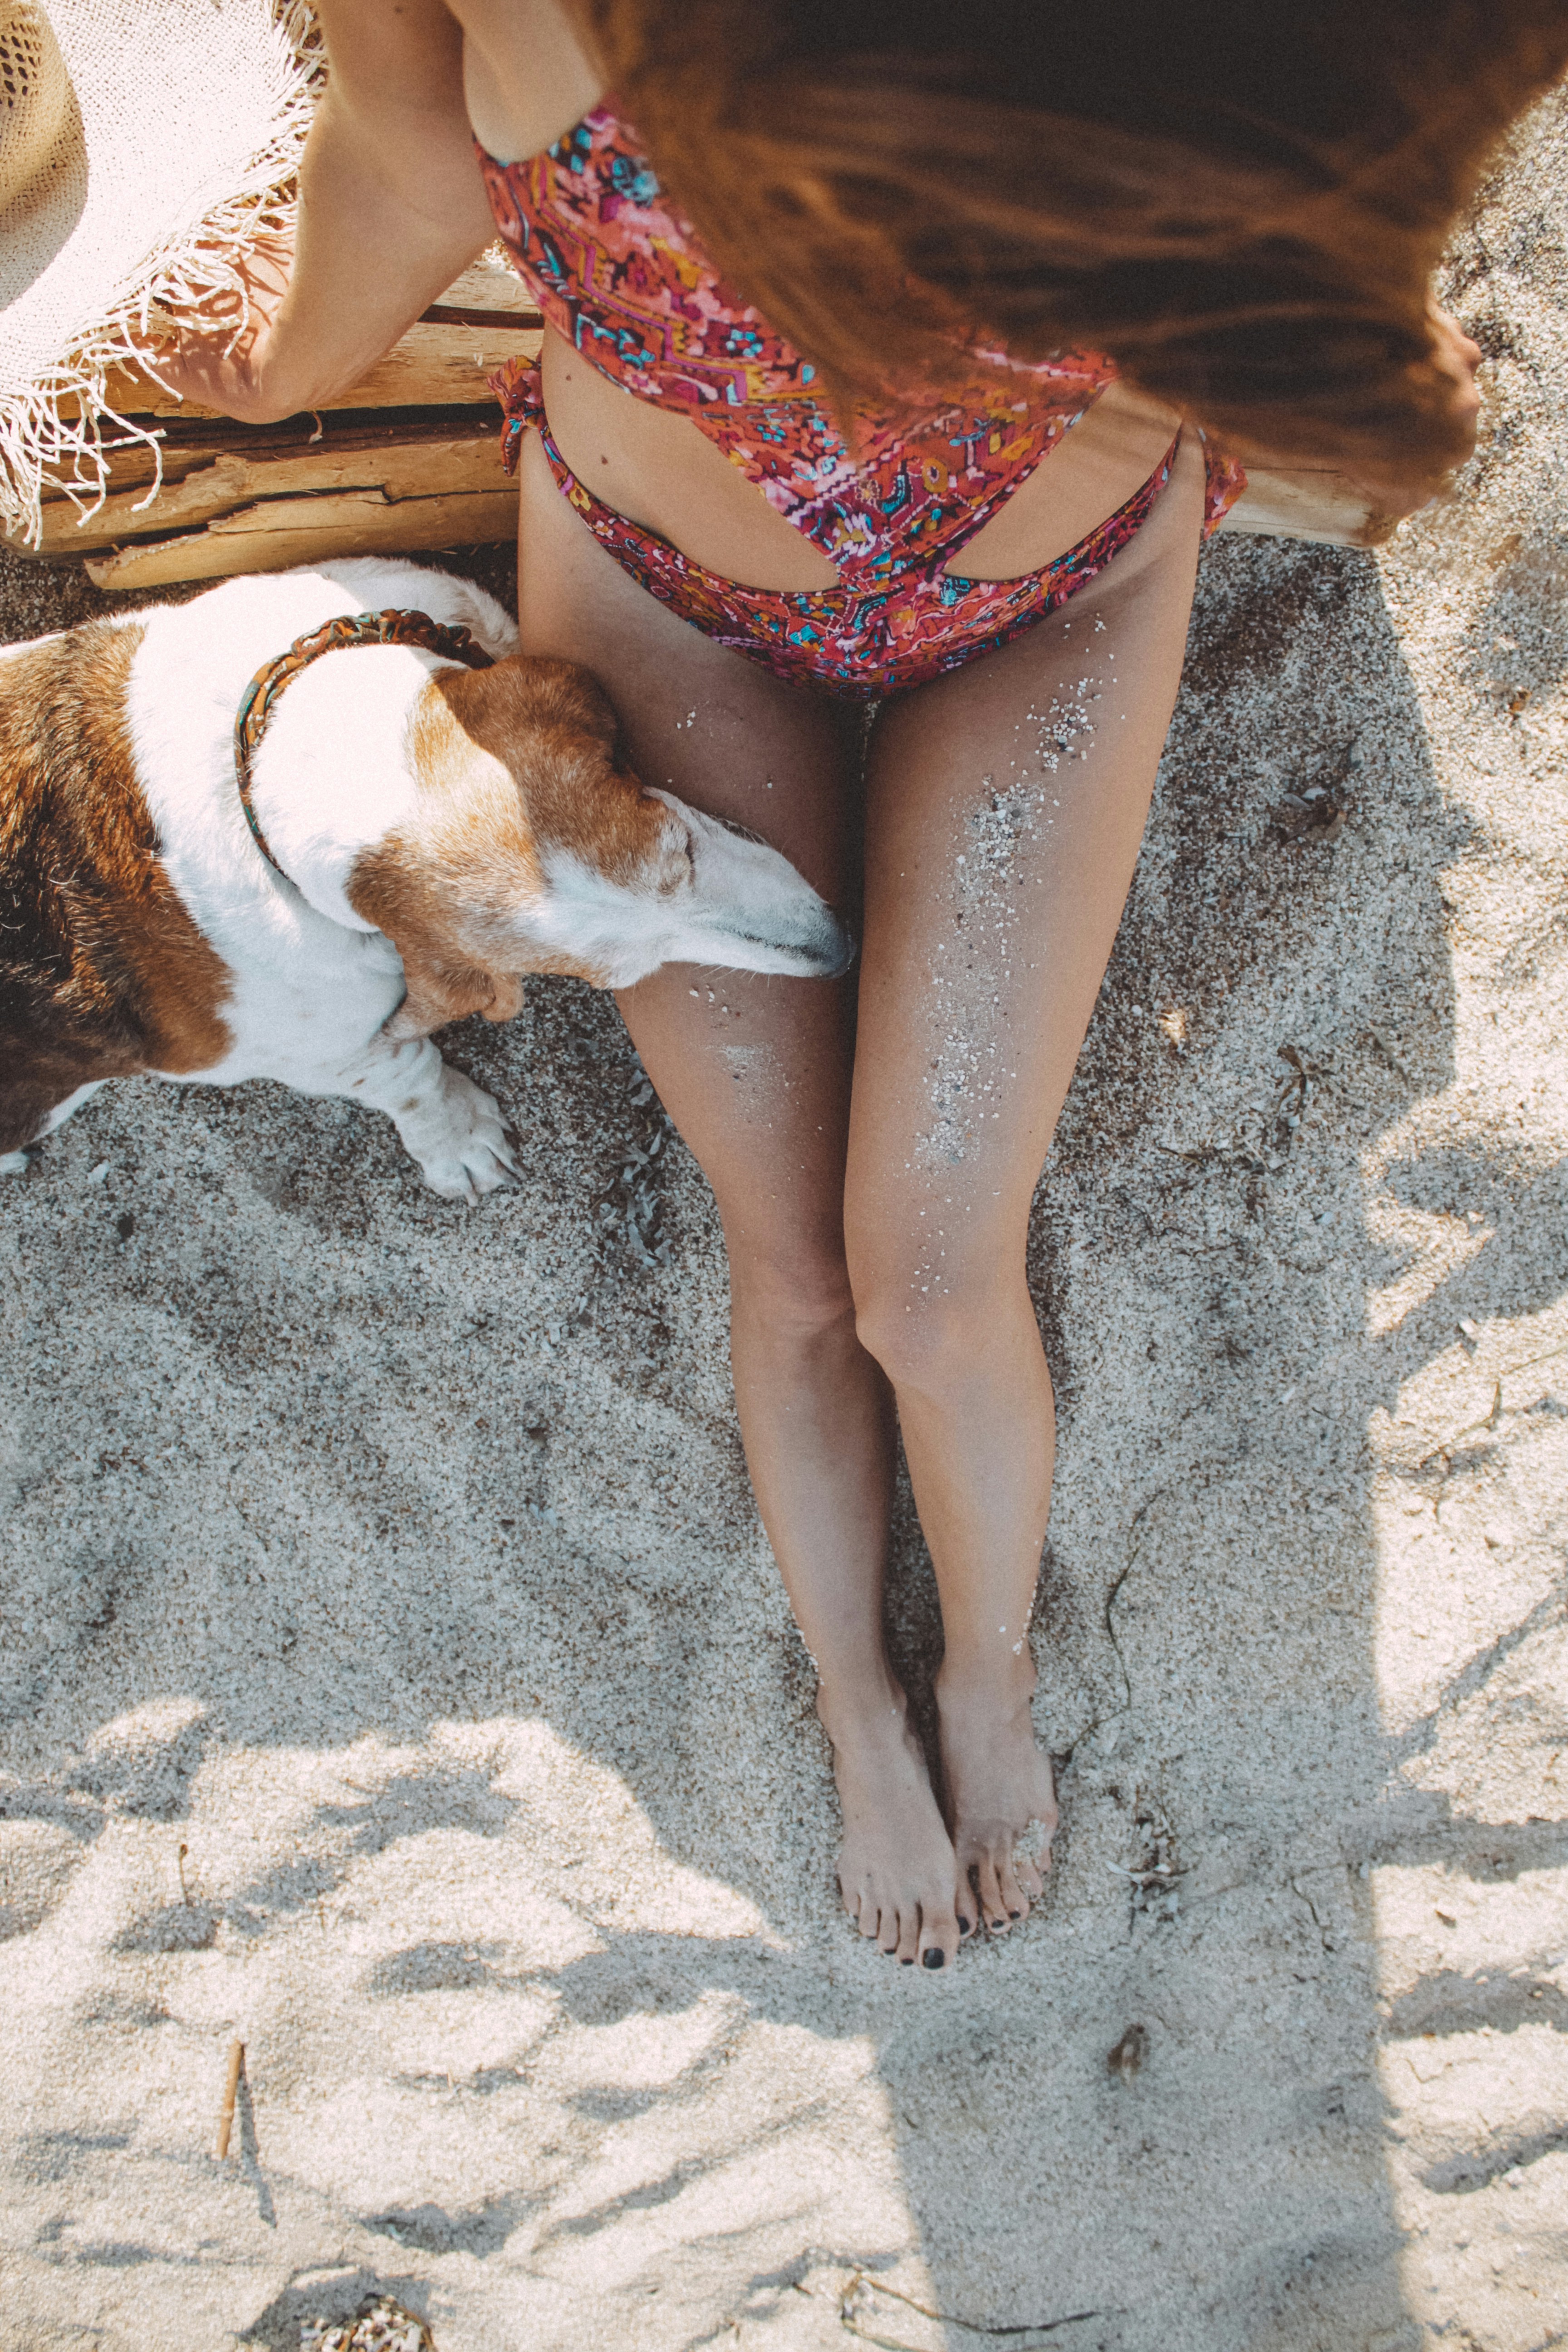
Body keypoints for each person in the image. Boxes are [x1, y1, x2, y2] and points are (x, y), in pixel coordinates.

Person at [158, 0, 1562, 1969]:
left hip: (1051, 613)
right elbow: (403, 152)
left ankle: (983, 1673)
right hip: (670, 597)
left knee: (925, 1280)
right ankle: (855, 1697)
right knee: (797, 1267)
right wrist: (271, 371)